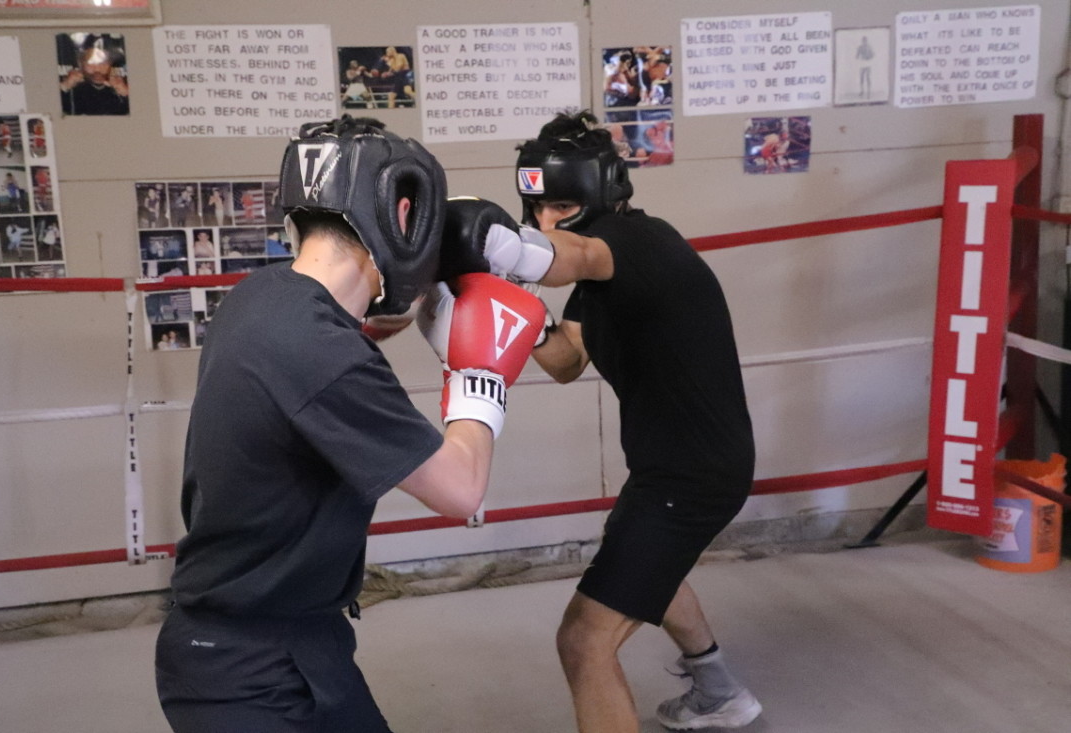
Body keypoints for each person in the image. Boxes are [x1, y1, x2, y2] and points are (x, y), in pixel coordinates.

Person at [153, 116, 545, 733]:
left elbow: (340, 345)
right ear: (403, 212)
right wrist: (479, 375)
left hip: (277, 642)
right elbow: (460, 488)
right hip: (250, 673)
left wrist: (427, 287)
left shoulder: (259, 296)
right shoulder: (326, 356)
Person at [442, 110, 759, 732]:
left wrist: (477, 243)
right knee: (645, 565)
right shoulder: (599, 278)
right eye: (537, 208)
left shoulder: (632, 242)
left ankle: (719, 693)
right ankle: (719, 691)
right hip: (675, 467)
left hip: (692, 477)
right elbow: (566, 361)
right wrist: (519, 314)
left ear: (600, 196)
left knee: (583, 640)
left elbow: (575, 253)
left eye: (561, 206)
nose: (546, 222)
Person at [60, 45, 129, 116]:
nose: (97, 69)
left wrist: (125, 93)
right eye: (91, 63)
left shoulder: (121, 87)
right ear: (80, 64)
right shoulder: (73, 90)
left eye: (103, 63)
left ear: (110, 64)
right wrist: (65, 86)